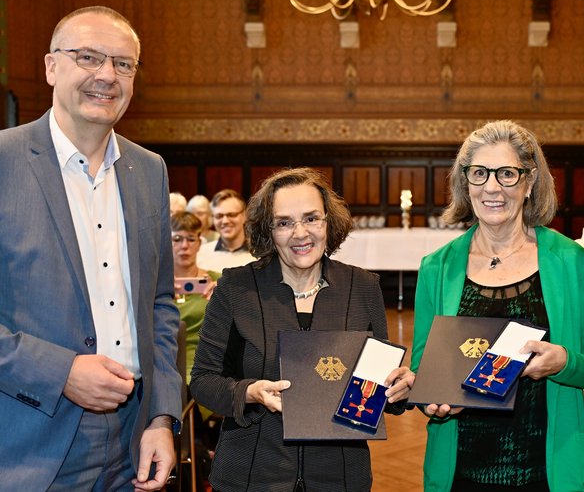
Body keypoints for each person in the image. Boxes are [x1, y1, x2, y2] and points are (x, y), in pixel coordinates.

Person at [0, 6, 181, 491]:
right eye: (88, 57)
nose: (107, 75)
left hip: (132, 440)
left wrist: (162, 417)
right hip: (27, 440)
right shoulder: (3, 162)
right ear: (50, 67)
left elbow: (161, 305)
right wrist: (61, 372)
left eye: (123, 63)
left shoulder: (149, 171)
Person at [411, 120, 584, 491]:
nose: (492, 187)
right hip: (459, 475)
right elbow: (423, 367)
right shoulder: (438, 267)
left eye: (507, 174)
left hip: (548, 474)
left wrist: (564, 362)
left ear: (529, 183)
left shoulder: (569, 259)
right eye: (479, 173)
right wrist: (431, 400)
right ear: (465, 183)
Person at [190, 167, 415, 491]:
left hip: (339, 475)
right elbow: (203, 381)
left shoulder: (363, 286)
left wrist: (398, 388)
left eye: (311, 218)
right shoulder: (236, 288)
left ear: (328, 221)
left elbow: (378, 380)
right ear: (268, 229)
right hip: (252, 473)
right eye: (284, 222)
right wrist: (249, 392)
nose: (300, 233)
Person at [170, 211, 220, 384]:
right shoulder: (155, 286)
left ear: (199, 243)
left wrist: (224, 303)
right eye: (177, 239)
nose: (184, 246)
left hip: (207, 363)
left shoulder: (217, 282)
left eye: (191, 239)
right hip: (166, 361)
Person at [196, 188, 256, 271]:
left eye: (231, 215)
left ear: (244, 216)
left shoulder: (261, 255)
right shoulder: (200, 254)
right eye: (219, 216)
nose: (225, 221)